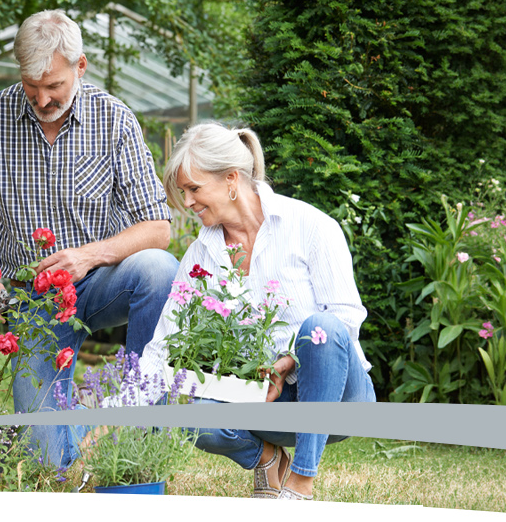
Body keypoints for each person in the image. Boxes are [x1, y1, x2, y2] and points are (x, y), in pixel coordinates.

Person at [0, 9, 179, 469]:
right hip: (33, 300)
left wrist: (88, 257)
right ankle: (82, 431)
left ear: (80, 66)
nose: (42, 98)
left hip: (102, 281)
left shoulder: (114, 120)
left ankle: (143, 435)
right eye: (31, 86)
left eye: (54, 85)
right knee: (45, 461)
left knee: (158, 270)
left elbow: (158, 227)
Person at [138, 122, 375, 500]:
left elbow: (345, 319)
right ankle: (266, 457)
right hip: (266, 401)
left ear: (231, 179)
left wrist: (288, 362)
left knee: (322, 327)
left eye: (194, 189)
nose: (188, 202)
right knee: (189, 408)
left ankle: (301, 481)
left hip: (338, 397)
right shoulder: (201, 254)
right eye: (183, 192)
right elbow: (165, 342)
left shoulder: (310, 226)